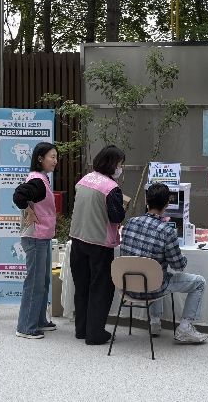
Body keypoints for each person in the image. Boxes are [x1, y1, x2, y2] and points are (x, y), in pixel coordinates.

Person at [120, 183, 208, 343]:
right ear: (167, 204)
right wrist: (181, 256)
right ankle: (185, 328)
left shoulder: (130, 223)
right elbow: (179, 266)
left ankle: (154, 322)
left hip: (127, 287)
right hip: (153, 289)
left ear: (146, 201)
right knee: (198, 282)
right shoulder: (167, 231)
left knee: (155, 272)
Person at [69, 145, 126, 345]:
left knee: (82, 287)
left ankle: (81, 329)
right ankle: (95, 334)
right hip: (99, 243)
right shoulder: (111, 188)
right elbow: (116, 216)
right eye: (120, 164)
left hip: (77, 239)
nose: (120, 168)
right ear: (112, 164)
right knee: (100, 289)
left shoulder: (84, 180)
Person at [13, 142, 59, 339]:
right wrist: (28, 210)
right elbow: (19, 196)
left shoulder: (42, 178)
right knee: (34, 282)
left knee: (43, 281)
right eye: (52, 157)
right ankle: (25, 326)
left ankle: (39, 320)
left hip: (43, 236)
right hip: (35, 237)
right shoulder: (37, 180)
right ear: (40, 158)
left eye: (56, 157)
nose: (55, 161)